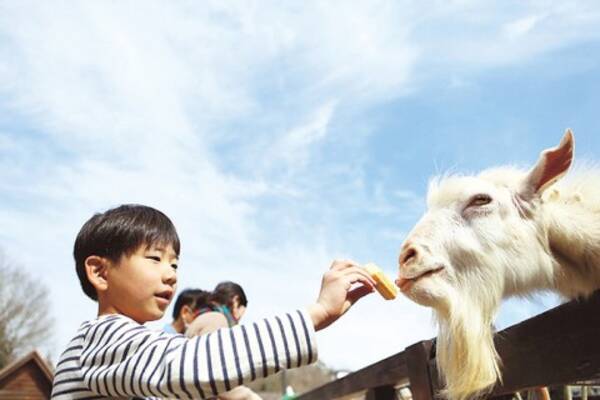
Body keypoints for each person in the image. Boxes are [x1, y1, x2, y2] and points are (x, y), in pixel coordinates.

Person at [51, 204, 376, 399]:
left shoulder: (119, 347)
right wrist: (316, 313)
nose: (171, 275)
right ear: (99, 271)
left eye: (175, 264)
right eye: (155, 258)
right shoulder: (101, 337)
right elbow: (189, 364)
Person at [186, 281, 257, 400]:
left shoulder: (205, 317)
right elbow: (212, 376)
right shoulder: (217, 320)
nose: (238, 321)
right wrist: (249, 396)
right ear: (236, 301)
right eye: (241, 313)